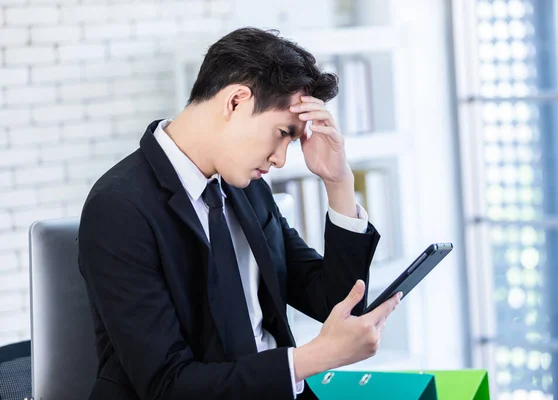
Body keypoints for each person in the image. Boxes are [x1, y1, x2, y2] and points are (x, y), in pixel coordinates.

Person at [78, 27, 401, 400]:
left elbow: (335, 304)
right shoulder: (119, 208)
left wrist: (338, 181)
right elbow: (167, 385)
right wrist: (310, 359)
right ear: (236, 102)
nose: (281, 159)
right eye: (282, 132)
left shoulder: (245, 189)